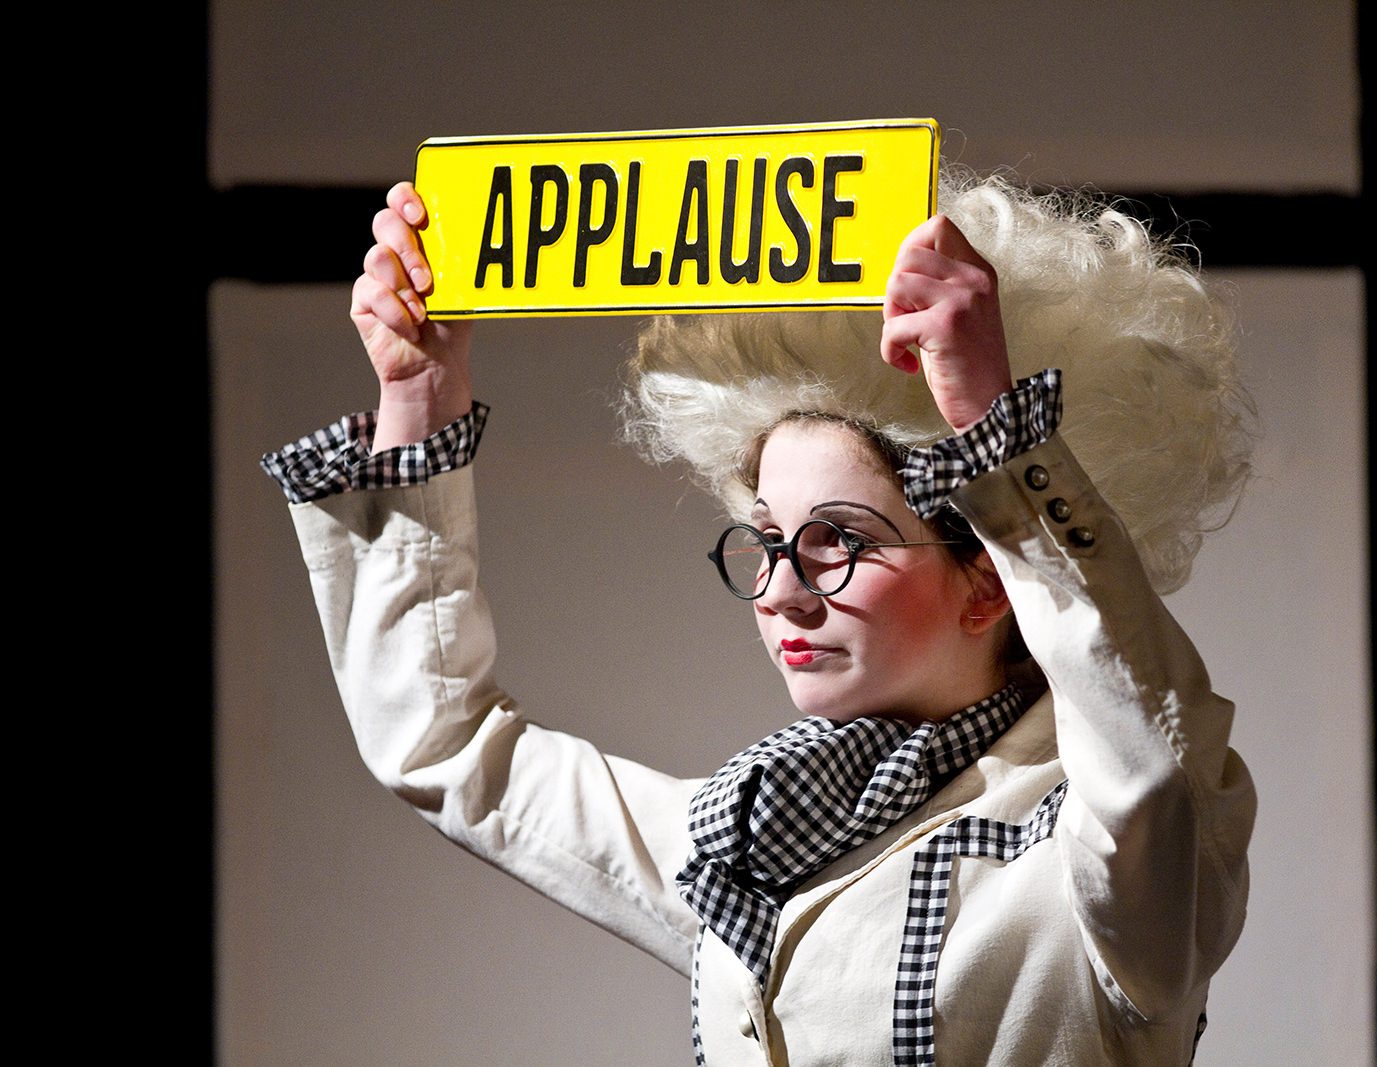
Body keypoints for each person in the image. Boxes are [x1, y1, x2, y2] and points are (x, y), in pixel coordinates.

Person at [264, 169, 1257, 1065]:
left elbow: (1147, 753)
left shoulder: (1117, 851)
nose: (782, 587)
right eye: (767, 534)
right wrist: (420, 396)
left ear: (988, 575)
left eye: (841, 539)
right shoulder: (748, 834)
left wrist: (992, 426)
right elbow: (441, 746)